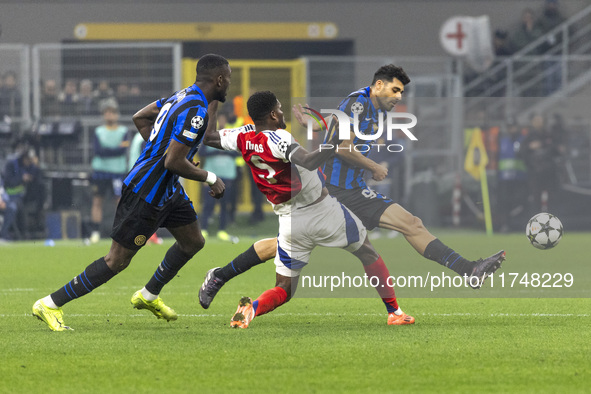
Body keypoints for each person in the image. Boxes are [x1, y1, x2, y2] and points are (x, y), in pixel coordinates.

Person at [32, 53, 230, 331]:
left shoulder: (182, 97)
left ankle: (148, 295)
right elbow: (172, 161)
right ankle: (50, 303)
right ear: (219, 79)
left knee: (193, 241)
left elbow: (141, 117)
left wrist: (163, 148)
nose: (229, 85)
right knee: (117, 260)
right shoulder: (194, 109)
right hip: (146, 193)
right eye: (228, 80)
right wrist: (211, 178)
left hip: (168, 191)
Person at [201, 91, 415, 328]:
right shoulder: (279, 137)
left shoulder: (243, 135)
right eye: (280, 108)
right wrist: (334, 139)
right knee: (367, 252)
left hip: (291, 222)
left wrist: (212, 101)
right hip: (322, 211)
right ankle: (394, 312)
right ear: (272, 114)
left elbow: (209, 137)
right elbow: (311, 161)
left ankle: (252, 308)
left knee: (284, 288)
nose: (282, 112)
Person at [290, 64, 505, 283]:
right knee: (291, 242)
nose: (399, 96)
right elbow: (342, 146)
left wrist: (316, 125)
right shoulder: (358, 103)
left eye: (401, 92)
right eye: (395, 90)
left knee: (411, 224)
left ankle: (469, 271)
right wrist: (374, 166)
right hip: (333, 190)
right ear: (379, 85)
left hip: (353, 190)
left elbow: (339, 122)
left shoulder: (377, 109)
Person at [87, 100, 130, 244]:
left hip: (117, 171)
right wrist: (114, 149)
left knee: (119, 201)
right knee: (97, 201)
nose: (110, 115)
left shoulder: (123, 131)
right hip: (101, 172)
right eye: (107, 113)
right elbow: (99, 151)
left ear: (117, 114)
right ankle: (95, 232)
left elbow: (122, 149)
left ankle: (122, 231)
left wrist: (109, 150)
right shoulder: (99, 131)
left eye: (112, 112)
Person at [198, 113, 239, 243]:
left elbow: (238, 152)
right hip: (212, 175)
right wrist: (218, 151)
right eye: (219, 119)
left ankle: (222, 231)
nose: (221, 121)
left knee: (224, 204)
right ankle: (203, 230)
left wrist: (222, 150)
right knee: (208, 204)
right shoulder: (209, 136)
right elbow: (201, 152)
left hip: (227, 174)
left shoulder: (232, 135)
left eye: (223, 119)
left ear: (226, 121)